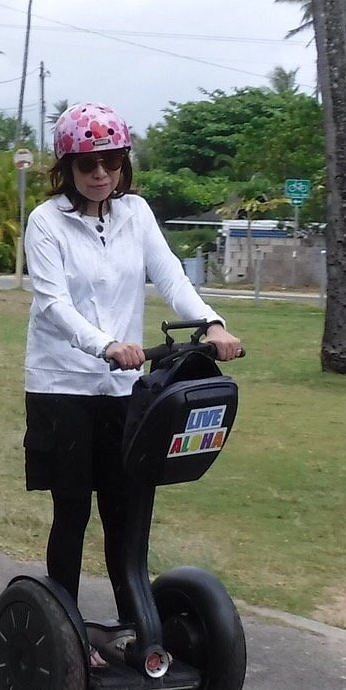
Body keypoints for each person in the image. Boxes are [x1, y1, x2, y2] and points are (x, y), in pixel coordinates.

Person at [23, 102, 242, 658]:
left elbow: (170, 276)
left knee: (128, 508)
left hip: (126, 390)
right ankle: (66, 633)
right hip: (63, 386)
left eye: (113, 162)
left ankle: (132, 630)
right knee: (72, 510)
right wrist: (104, 344)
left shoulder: (136, 213)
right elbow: (51, 305)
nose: (102, 175)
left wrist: (212, 324)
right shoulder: (46, 221)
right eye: (90, 164)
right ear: (66, 166)